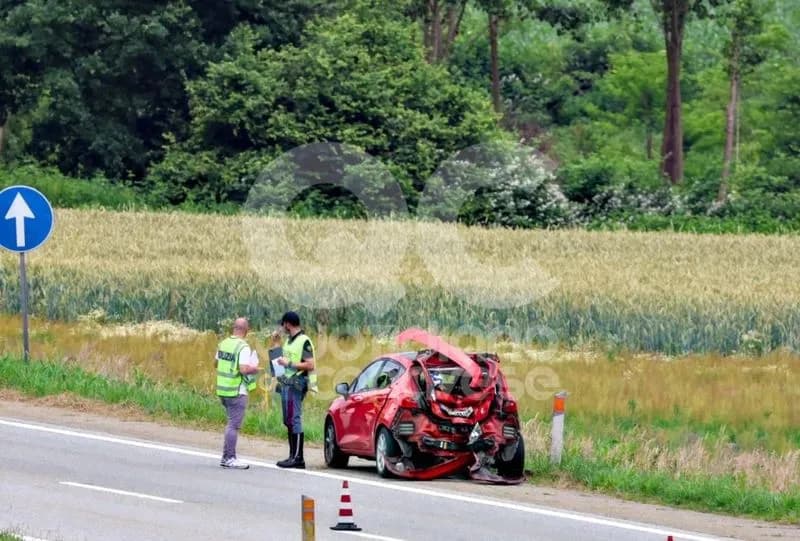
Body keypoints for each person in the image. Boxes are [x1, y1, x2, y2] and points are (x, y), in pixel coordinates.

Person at [215, 317, 259, 469]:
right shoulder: (243, 347)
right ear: (246, 330)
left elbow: (216, 363)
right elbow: (243, 369)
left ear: (234, 328)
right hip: (236, 390)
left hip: (222, 389)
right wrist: (255, 368)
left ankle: (226, 456)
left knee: (230, 423)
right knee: (233, 425)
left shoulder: (223, 343)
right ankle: (229, 457)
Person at [274, 311, 316, 469]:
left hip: (297, 382)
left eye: (283, 324)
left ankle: (298, 458)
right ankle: (292, 455)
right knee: (288, 420)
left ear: (287, 324)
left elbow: (310, 364)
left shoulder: (304, 341)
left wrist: (289, 363)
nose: (282, 327)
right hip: (287, 382)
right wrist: (277, 343)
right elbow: (281, 360)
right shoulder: (288, 341)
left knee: (294, 418)